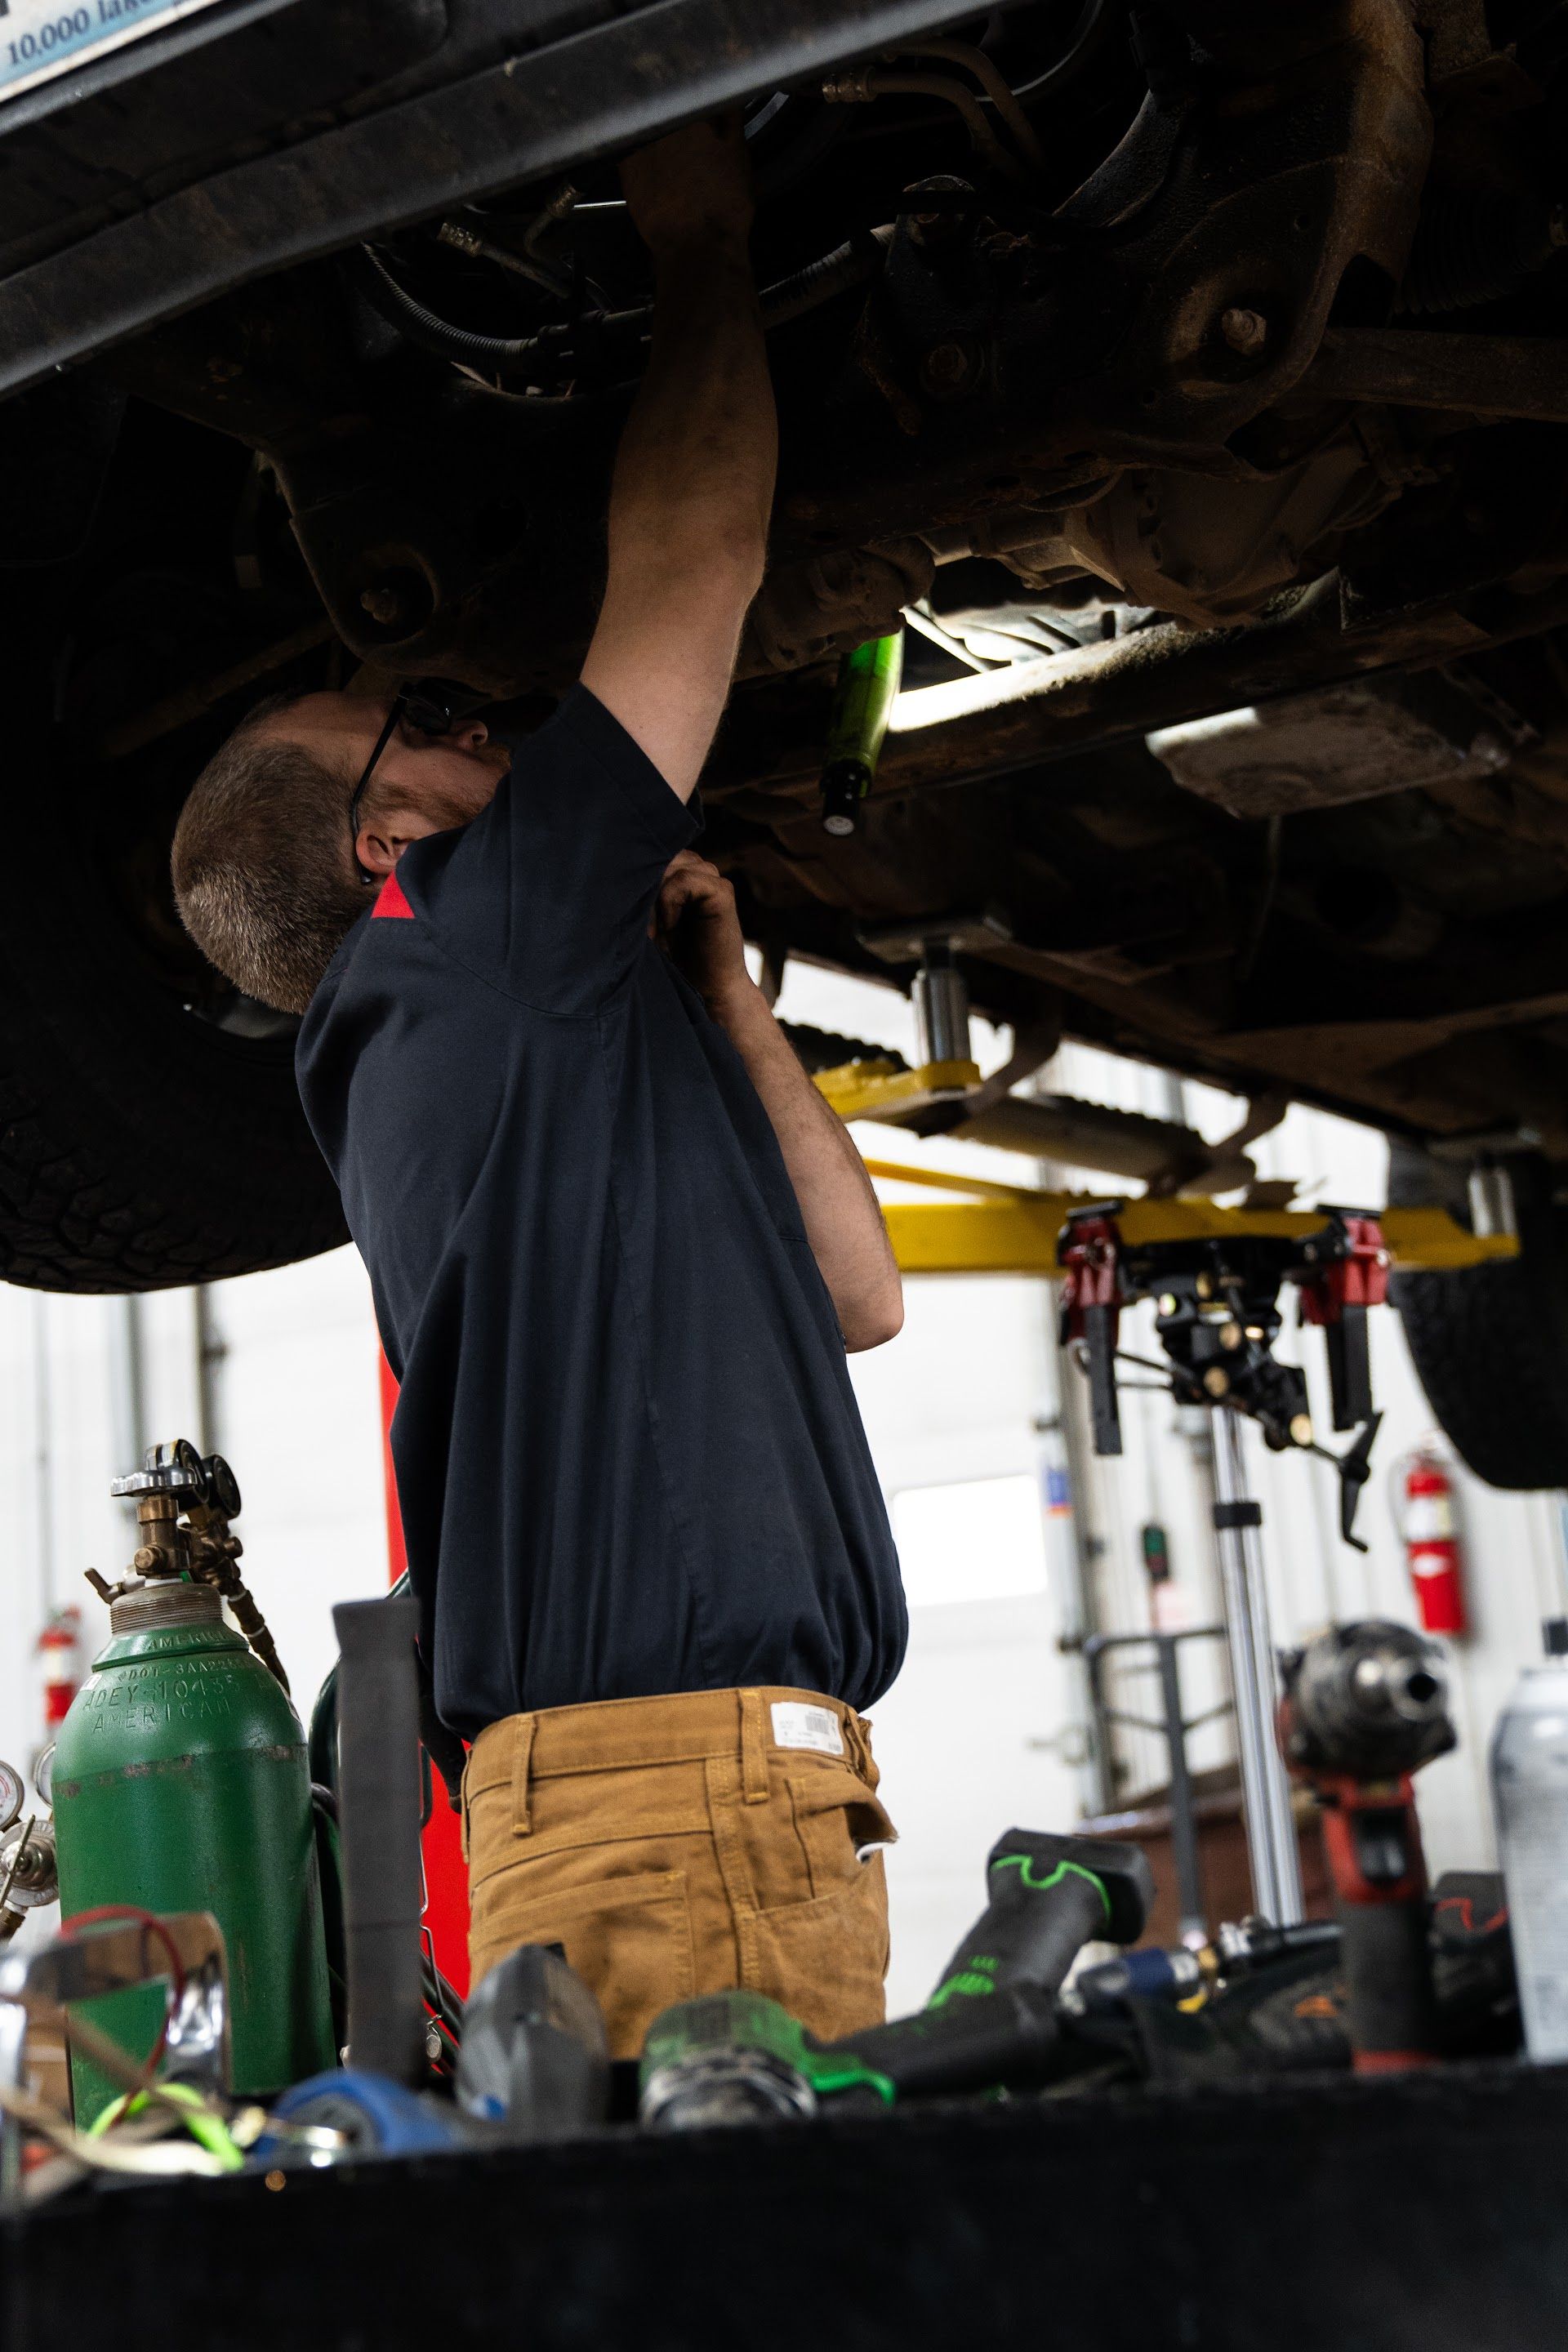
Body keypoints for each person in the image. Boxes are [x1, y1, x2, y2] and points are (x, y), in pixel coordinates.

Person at [171, 120, 908, 2057]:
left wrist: (736, 1013)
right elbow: (697, 561)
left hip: (688, 1805)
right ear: (382, 834)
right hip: (695, 1807)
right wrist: (700, 234)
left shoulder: (487, 1029)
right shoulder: (458, 946)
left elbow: (855, 1301)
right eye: (423, 722)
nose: (473, 719)